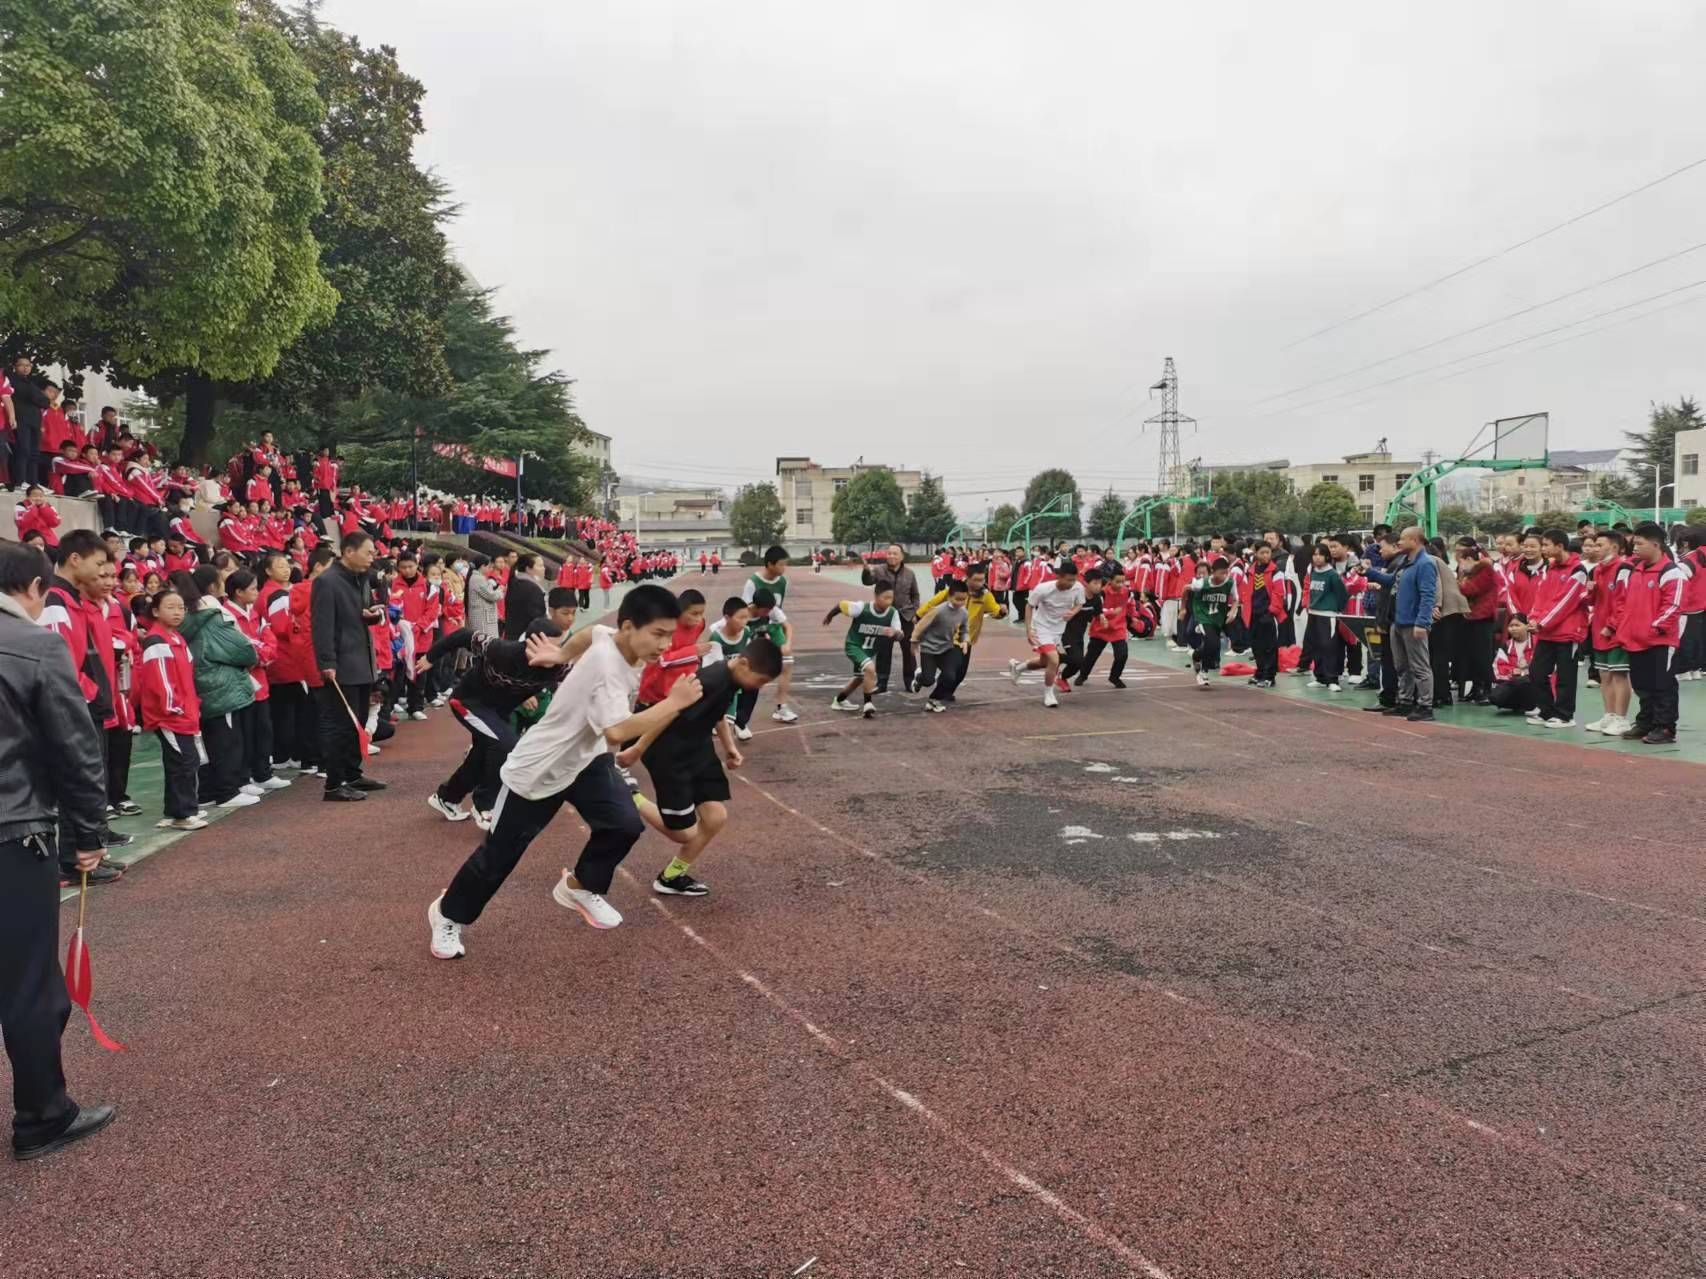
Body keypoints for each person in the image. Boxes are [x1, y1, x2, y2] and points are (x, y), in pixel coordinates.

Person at [426, 587, 702, 959]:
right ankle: (446, 915)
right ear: (629, 626)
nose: (665, 645)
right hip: (541, 768)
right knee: (499, 858)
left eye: (670, 635)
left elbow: (591, 633)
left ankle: (579, 885)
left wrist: (559, 653)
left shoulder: (617, 639)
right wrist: (674, 703)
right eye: (658, 634)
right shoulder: (608, 669)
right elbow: (618, 731)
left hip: (586, 759)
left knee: (624, 824)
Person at [0, 542, 117, 1160]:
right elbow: (75, 750)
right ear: (35, 589)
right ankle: (42, 1112)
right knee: (27, 983)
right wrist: (88, 835)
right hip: (13, 832)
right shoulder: (34, 644)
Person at [630, 635, 783, 894]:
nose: (758, 687)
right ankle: (630, 795)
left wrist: (730, 747)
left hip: (698, 750)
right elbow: (668, 711)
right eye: (760, 681)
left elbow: (718, 715)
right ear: (744, 664)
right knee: (683, 833)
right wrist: (638, 747)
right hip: (669, 754)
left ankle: (671, 877)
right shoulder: (708, 680)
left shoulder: (732, 679)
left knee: (715, 818)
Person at [176, 567, 263, 809]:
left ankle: (211, 791)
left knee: (213, 742)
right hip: (221, 686)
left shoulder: (190, 616)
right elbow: (243, 650)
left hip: (204, 685)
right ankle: (227, 791)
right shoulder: (212, 616)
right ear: (213, 587)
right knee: (228, 741)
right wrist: (251, 655)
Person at [312, 532, 385, 802]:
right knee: (341, 725)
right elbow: (322, 626)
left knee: (360, 721)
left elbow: (363, 613)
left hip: (363, 660)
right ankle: (334, 783)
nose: (372, 557)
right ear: (349, 551)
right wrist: (327, 663)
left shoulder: (361, 578)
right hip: (341, 664)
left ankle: (353, 773)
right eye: (368, 552)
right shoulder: (327, 582)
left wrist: (373, 616)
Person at [1615, 522, 1687, 745]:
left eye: (1639, 543)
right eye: (1633, 543)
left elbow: (1674, 606)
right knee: (1642, 685)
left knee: (1662, 685)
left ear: (1655, 544)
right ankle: (1646, 722)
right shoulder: (1635, 570)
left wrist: (1653, 627)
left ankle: (1665, 728)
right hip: (1635, 640)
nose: (1634, 548)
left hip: (1659, 641)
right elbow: (1625, 602)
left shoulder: (1672, 573)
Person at [1364, 526, 1438, 721]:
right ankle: (1405, 702)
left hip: (1413, 623)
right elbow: (1391, 581)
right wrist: (1370, 572)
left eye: (1403, 539)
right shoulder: (1406, 562)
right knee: (1402, 666)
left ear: (1415, 541)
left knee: (1420, 666)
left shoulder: (1425, 564)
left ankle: (1425, 705)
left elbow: (1428, 595)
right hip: (1398, 621)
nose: (1399, 543)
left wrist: (1422, 622)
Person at [1526, 528, 1591, 729]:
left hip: (1567, 633)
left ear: (1560, 546)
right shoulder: (1550, 568)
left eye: (1546, 545)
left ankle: (1565, 715)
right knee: (1536, 671)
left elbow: (1565, 602)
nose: (1543, 549)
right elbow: (1541, 597)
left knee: (1566, 676)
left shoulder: (1578, 570)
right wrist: (1534, 618)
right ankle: (1546, 711)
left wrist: (1542, 622)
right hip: (1546, 632)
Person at [1009, 559, 1084, 708]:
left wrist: (1073, 612)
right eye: (1068, 580)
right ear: (1059, 576)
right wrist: (1029, 631)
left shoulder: (1078, 587)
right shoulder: (1043, 589)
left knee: (1045, 661)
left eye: (1073, 580)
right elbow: (1029, 606)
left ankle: (1017, 668)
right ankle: (1049, 693)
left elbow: (1080, 603)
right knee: (1054, 660)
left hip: (1058, 629)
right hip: (1041, 627)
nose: (1071, 583)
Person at [824, 585, 904, 718]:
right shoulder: (861, 608)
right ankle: (868, 704)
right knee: (870, 668)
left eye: (891, 598)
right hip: (854, 646)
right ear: (876, 596)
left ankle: (839, 701)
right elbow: (841, 605)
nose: (889, 601)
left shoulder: (892, 613)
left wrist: (895, 633)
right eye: (886, 598)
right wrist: (829, 616)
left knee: (859, 678)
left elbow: (900, 634)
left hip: (868, 651)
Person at [1584, 530, 1634, 735]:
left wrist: (1612, 625)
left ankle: (1622, 719)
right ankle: (1609, 715)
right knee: (1604, 675)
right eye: (1594, 545)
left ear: (1614, 547)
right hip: (1599, 630)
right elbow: (1592, 601)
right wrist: (1591, 591)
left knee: (1619, 674)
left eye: (1599, 545)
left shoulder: (1624, 568)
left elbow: (1625, 601)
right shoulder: (1597, 570)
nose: (1594, 549)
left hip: (1616, 631)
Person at [741, 546, 797, 722]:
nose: (784, 568)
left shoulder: (783, 582)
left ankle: (782, 707)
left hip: (773, 625)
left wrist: (784, 641)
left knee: (787, 662)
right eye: (781, 565)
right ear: (770, 564)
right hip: (754, 627)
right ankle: (733, 710)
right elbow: (747, 612)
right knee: (748, 668)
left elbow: (779, 612)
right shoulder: (753, 583)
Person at [861, 544, 921, 695]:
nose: (891, 556)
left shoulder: (910, 573)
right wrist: (866, 571)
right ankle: (881, 683)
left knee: (908, 651)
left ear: (902, 556)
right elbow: (867, 581)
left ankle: (909, 682)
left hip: (905, 616)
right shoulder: (879, 571)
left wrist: (914, 612)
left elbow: (915, 595)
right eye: (889, 553)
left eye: (895, 553)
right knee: (883, 651)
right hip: (885, 616)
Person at [912, 583, 970, 711]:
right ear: (949, 597)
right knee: (928, 680)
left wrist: (965, 640)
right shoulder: (938, 610)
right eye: (957, 599)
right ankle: (919, 677)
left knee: (950, 676)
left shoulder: (964, 613)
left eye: (963, 600)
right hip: (929, 648)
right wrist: (914, 640)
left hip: (947, 648)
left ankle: (934, 700)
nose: (960, 603)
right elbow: (921, 625)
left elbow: (965, 630)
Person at [1238, 543, 1289, 688]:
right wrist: (1245, 611)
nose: (1266, 555)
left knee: (1269, 647)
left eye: (1268, 552)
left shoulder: (1276, 572)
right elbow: (1246, 592)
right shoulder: (1250, 571)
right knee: (1256, 646)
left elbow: (1279, 594)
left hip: (1268, 615)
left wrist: (1271, 611)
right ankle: (1260, 672)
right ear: (1256, 553)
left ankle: (1269, 676)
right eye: (1262, 552)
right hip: (1253, 614)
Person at [1305, 542, 1350, 690]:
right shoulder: (1313, 572)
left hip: (1327, 615)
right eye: (1314, 555)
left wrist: (1336, 610)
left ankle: (1332, 679)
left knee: (1328, 647)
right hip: (1313, 613)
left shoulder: (1332, 575)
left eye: (1320, 555)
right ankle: (1320, 677)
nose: (1317, 558)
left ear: (1326, 557)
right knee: (1316, 646)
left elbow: (1342, 594)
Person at [8, 356, 49, 490]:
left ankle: (33, 483)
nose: (25, 368)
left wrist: (37, 397)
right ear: (15, 366)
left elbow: (46, 402)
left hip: (34, 422)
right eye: (22, 365)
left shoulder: (31, 383)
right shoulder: (12, 381)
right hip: (20, 420)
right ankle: (20, 481)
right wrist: (37, 397)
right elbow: (29, 395)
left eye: (28, 365)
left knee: (34, 453)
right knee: (23, 450)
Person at [1488, 616, 1541, 714]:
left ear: (1527, 626)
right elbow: (1498, 667)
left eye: (1517, 625)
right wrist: (1512, 671)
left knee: (1525, 681)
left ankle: (1536, 705)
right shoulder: (1506, 645)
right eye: (1511, 626)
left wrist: (1526, 670)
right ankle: (1522, 705)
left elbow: (1544, 666)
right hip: (1514, 681)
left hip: (1534, 683)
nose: (1513, 628)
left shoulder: (1538, 643)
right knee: (1495, 697)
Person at [502, 553, 546, 640]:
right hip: (524, 639)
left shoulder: (516, 582)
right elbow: (538, 618)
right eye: (540, 566)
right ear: (528, 569)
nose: (544, 568)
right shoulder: (532, 589)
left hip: (512, 635)